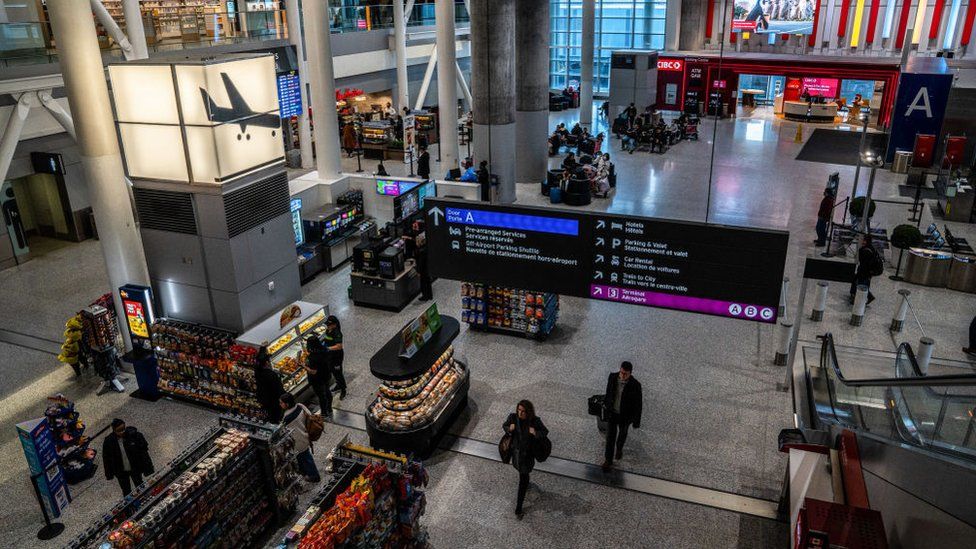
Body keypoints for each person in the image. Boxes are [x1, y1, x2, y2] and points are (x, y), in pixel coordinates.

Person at [503, 400, 549, 519]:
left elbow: (545, 431)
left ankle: (519, 508)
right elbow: (505, 425)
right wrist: (509, 428)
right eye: (519, 410)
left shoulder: (535, 421)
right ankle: (525, 484)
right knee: (523, 474)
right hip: (517, 455)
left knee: (523, 480)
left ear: (529, 411)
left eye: (523, 411)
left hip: (528, 455)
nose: (520, 413)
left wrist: (535, 432)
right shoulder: (513, 418)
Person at [601, 362, 643, 470]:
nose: (623, 376)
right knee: (610, 437)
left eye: (626, 374)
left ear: (630, 373)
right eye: (622, 373)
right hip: (613, 413)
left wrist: (636, 421)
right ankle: (608, 460)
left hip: (625, 416)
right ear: (620, 370)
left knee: (622, 434)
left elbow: (638, 405)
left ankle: (619, 448)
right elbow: (608, 392)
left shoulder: (636, 385)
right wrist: (606, 407)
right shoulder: (613, 377)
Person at [102, 419, 154, 496]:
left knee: (139, 484)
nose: (122, 432)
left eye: (123, 429)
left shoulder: (134, 435)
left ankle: (144, 497)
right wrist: (109, 474)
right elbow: (106, 458)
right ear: (114, 430)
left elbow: (143, 452)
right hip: (120, 470)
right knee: (126, 489)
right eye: (119, 430)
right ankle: (130, 504)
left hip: (135, 467)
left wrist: (148, 467)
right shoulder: (109, 441)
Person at [280, 392, 321, 483]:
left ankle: (314, 476)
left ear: (287, 404)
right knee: (304, 457)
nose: (280, 404)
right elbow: (310, 415)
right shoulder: (300, 406)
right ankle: (306, 473)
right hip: (306, 435)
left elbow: (285, 431)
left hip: (299, 441)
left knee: (306, 458)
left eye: (281, 403)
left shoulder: (287, 417)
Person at [304, 336, 333, 418]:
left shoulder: (312, 357)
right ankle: (329, 408)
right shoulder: (324, 350)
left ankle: (324, 413)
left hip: (317, 380)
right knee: (327, 391)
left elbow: (313, 371)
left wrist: (303, 366)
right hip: (326, 375)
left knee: (321, 396)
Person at [255, 346, 285, 423]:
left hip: (264, 400)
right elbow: (279, 389)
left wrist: (262, 348)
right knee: (275, 418)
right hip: (273, 401)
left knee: (270, 416)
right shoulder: (271, 374)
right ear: (267, 363)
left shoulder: (257, 372)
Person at [321, 315, 347, 400]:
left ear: (334, 324)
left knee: (338, 373)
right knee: (334, 371)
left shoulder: (337, 333)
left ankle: (343, 389)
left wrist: (327, 348)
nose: (328, 326)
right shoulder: (328, 329)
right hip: (330, 355)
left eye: (329, 324)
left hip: (336, 356)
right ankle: (338, 384)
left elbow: (339, 346)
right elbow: (327, 339)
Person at [850, 234, 880, 304]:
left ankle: (861, 298)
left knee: (860, 284)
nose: (862, 241)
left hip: (864, 271)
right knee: (861, 283)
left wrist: (861, 271)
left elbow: (864, 263)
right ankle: (857, 296)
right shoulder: (872, 248)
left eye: (864, 240)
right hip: (869, 271)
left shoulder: (865, 250)